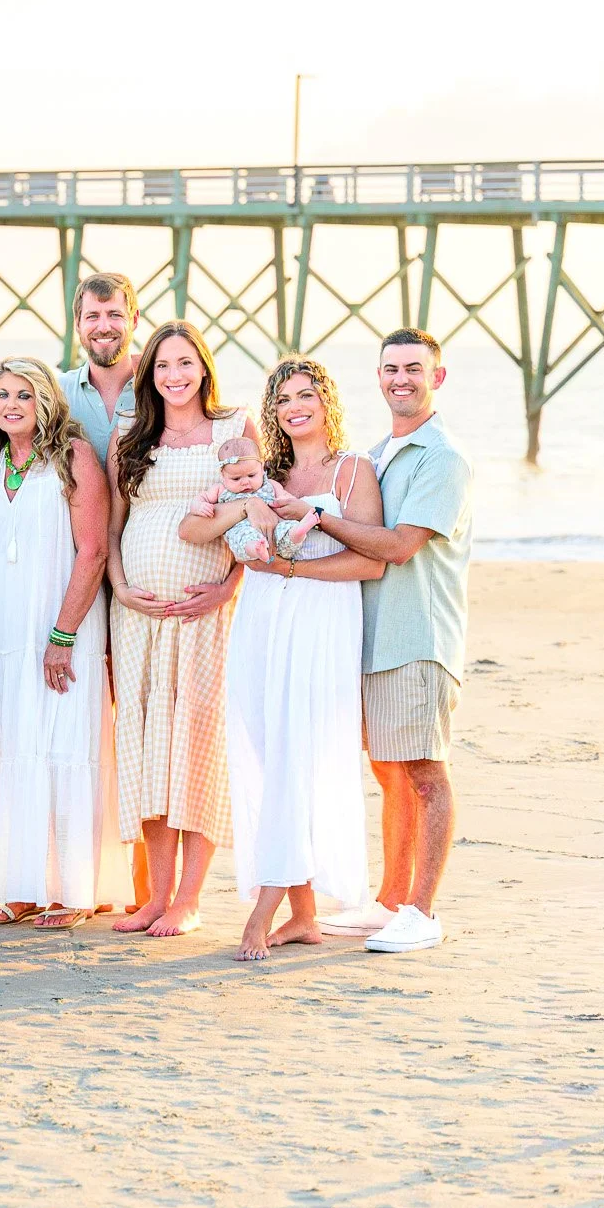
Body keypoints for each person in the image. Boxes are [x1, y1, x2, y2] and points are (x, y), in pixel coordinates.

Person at [190, 358, 385, 961]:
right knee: (266, 754)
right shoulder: (260, 472)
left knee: (297, 757)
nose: (294, 407)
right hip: (260, 621)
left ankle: (263, 911)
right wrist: (241, 518)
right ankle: (303, 915)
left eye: (306, 395)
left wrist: (293, 566)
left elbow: (371, 561)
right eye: (282, 400)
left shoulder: (354, 471)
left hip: (320, 622)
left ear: (327, 402)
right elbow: (197, 531)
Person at [0, 357, 116, 928]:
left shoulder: (74, 458)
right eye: (3, 395)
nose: (12, 405)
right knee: (12, 751)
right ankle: (24, 886)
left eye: (24, 396)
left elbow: (93, 551)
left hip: (56, 628)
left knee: (58, 747)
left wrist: (62, 635)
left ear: (47, 402)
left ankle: (72, 892)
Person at [308, 329, 473, 954]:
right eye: (389, 369)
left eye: (413, 369)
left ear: (438, 377)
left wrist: (321, 518)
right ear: (377, 378)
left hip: (420, 638)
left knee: (426, 773)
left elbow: (401, 545)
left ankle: (423, 913)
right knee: (391, 774)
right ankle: (390, 901)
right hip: (374, 641)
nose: (400, 379)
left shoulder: (442, 457)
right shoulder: (378, 453)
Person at [105, 321, 254, 937]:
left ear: (204, 368)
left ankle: (190, 898)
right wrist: (118, 585)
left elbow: (255, 509)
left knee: (195, 743)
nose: (174, 376)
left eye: (185, 363)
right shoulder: (130, 437)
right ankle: (155, 895)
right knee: (144, 745)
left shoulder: (233, 429)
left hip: (205, 618)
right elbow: (114, 526)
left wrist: (227, 588)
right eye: (163, 365)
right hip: (138, 617)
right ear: (150, 375)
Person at [59, 271, 149, 913]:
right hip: (81, 576)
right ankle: (88, 876)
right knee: (87, 726)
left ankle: (146, 885)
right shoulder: (59, 395)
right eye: (92, 317)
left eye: (113, 315)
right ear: (77, 324)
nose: (103, 327)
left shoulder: (163, 383)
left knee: (142, 728)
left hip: (145, 573)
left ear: (132, 318)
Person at [197, 436, 321, 565]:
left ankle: (298, 532)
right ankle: (257, 549)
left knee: (287, 527)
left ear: (261, 468)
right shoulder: (220, 489)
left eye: (251, 475)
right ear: (223, 475)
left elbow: (287, 499)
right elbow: (201, 499)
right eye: (236, 479)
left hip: (275, 527)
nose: (245, 482)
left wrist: (291, 506)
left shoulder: (270, 484)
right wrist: (200, 506)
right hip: (242, 528)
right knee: (242, 538)